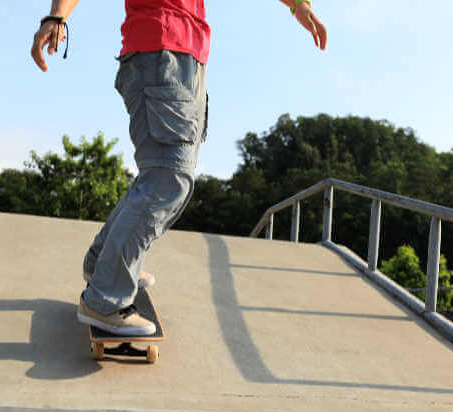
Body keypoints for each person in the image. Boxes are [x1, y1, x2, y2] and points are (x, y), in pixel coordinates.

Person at [31, 0, 327, 336]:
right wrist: (56, 17)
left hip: (188, 58)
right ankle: (105, 300)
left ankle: (104, 265)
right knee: (168, 179)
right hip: (160, 50)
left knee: (162, 176)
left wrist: (297, 5)